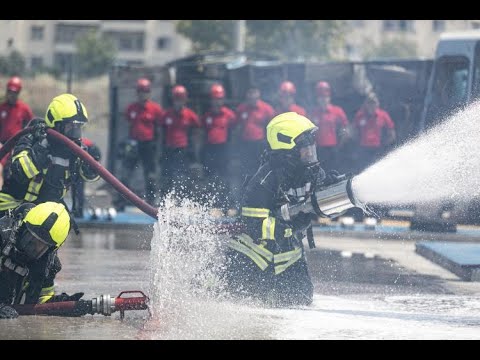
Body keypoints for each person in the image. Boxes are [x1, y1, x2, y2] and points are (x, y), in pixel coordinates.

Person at [222, 112, 342, 307]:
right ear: (289, 150)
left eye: (312, 147)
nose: (311, 153)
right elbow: (255, 226)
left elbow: (324, 208)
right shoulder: (263, 181)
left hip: (288, 256)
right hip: (252, 259)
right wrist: (289, 225)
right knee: (238, 303)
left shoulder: (312, 173)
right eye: (305, 148)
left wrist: (335, 192)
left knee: (300, 301)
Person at [0, 93, 100, 306]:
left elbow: (86, 174)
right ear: (57, 124)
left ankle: (40, 299)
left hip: (42, 216)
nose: (76, 134)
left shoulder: (73, 150)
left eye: (79, 128)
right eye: (72, 128)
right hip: (12, 208)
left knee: (48, 260)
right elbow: (21, 170)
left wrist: (93, 164)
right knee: (10, 251)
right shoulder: (32, 138)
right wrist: (43, 148)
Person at [0, 201, 81, 318]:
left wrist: (63, 305)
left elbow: (40, 300)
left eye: (38, 245)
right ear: (22, 227)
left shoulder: (48, 266)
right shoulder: (2, 236)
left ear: (50, 250)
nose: (29, 246)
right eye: (28, 238)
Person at [114, 78, 163, 211]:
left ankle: (151, 203)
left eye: (146, 91)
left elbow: (159, 127)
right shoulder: (132, 108)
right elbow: (129, 124)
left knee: (150, 175)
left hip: (148, 145)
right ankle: (121, 201)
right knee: (126, 173)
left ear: (149, 93)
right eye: (141, 91)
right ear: (137, 93)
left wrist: (155, 144)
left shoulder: (155, 109)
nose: (143, 94)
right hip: (133, 144)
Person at [159, 85, 201, 199]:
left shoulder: (190, 115)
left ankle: (182, 199)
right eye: (177, 100)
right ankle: (165, 200)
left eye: (181, 99)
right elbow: (160, 133)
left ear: (185, 100)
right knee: (167, 176)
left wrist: (194, 151)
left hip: (183, 150)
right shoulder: (166, 115)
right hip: (169, 149)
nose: (178, 102)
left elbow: (197, 132)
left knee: (182, 177)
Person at [200, 83, 237, 212]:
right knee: (209, 178)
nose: (217, 102)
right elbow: (202, 132)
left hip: (223, 149)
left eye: (219, 99)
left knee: (225, 178)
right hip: (210, 149)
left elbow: (233, 131)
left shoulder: (229, 115)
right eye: (215, 99)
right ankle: (210, 203)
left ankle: (225, 204)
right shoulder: (207, 116)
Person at [309, 81, 349, 172]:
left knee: (334, 171)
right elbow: (309, 131)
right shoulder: (313, 113)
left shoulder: (337, 111)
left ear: (329, 97)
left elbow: (345, 127)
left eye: (325, 97)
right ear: (317, 99)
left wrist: (341, 143)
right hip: (318, 150)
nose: (323, 99)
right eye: (321, 97)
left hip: (333, 149)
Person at [352, 92, 396, 173]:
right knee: (362, 170)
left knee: (377, 170)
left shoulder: (383, 115)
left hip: (377, 149)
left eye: (374, 103)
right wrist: (356, 146)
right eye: (369, 103)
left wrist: (384, 146)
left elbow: (391, 133)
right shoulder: (359, 115)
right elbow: (354, 132)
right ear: (366, 104)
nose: (371, 105)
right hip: (363, 149)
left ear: (377, 104)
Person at [71, 137, 102, 217]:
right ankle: (77, 209)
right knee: (76, 187)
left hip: (88, 153)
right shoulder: (76, 141)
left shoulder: (76, 143)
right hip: (88, 154)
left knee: (77, 187)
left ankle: (78, 210)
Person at [0, 76, 34, 145]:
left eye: (14, 92)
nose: (12, 95)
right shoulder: (2, 108)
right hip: (2, 145)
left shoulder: (24, 108)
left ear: (18, 93)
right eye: (10, 92)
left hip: (16, 144)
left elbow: (32, 125)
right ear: (7, 91)